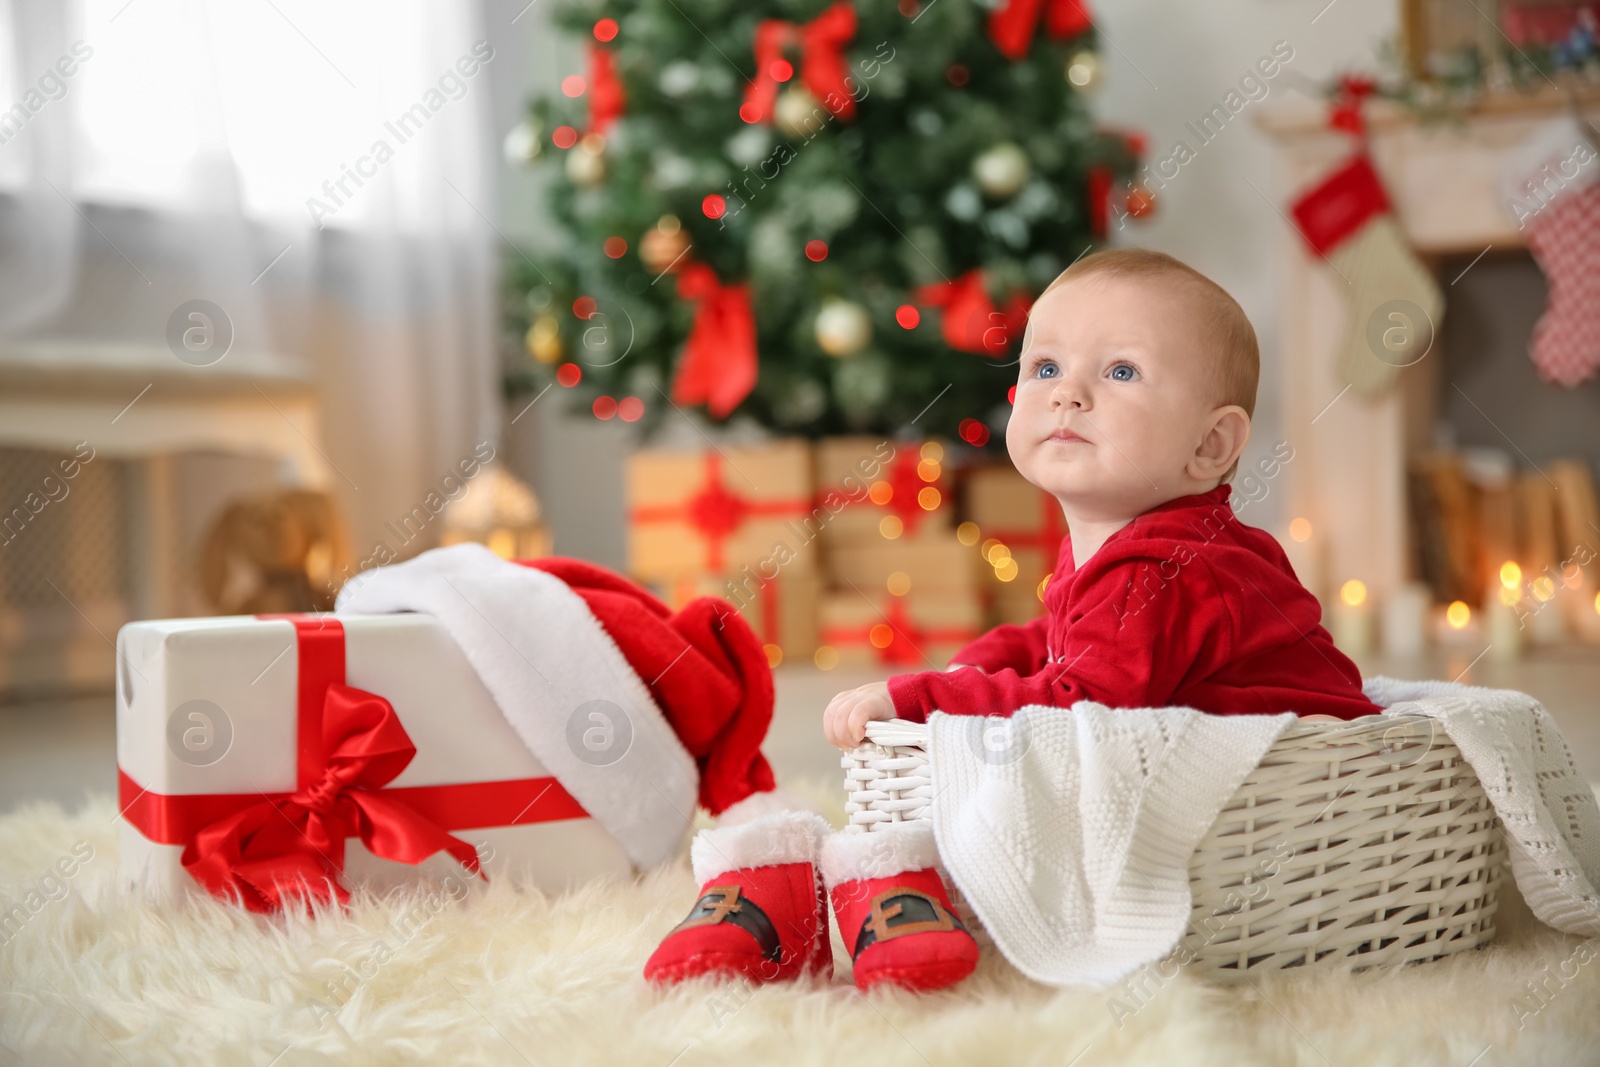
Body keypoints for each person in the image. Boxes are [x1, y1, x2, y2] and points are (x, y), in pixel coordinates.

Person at [823, 247, 1378, 750]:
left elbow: (1079, 708)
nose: (1067, 394)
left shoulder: (1164, 567)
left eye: (1121, 370)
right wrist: (978, 666)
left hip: (1313, 779)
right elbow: (1064, 641)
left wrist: (923, 699)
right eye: (1047, 367)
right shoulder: (1135, 543)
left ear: (1210, 444)